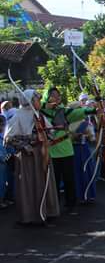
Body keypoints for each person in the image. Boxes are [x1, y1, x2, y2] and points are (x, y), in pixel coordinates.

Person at [4, 89, 60, 224]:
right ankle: (30, 216)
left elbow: (50, 132)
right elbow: (8, 139)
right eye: (37, 100)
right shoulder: (18, 116)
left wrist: (48, 135)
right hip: (28, 157)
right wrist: (28, 142)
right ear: (30, 101)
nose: (39, 102)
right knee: (29, 183)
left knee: (45, 181)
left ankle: (47, 211)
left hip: (42, 154)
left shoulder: (39, 115)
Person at [40, 87, 97, 215]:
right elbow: (32, 103)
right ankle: (52, 206)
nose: (56, 98)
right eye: (53, 95)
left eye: (58, 96)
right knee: (53, 181)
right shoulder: (40, 111)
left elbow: (81, 112)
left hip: (66, 150)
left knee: (69, 180)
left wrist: (95, 109)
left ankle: (70, 204)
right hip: (50, 150)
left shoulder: (64, 111)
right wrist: (47, 105)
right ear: (47, 97)